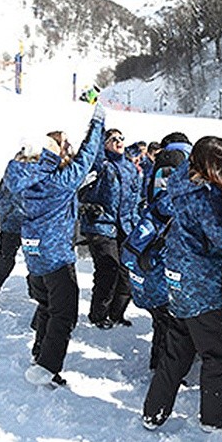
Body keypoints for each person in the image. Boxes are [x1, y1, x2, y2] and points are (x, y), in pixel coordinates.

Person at [142, 136, 222, 433]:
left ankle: (154, 412)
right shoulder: (206, 196)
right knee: (218, 355)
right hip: (204, 286)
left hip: (179, 281)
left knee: (177, 350)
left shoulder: (181, 183)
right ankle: (215, 419)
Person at [4, 104, 106, 386]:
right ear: (52, 154)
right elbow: (86, 157)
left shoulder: (27, 179)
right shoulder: (59, 182)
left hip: (34, 254)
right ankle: (47, 366)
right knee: (63, 314)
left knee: (47, 306)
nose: (68, 149)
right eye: (64, 146)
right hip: (56, 257)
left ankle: (39, 354)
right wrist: (97, 124)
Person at [126, 132, 193, 370]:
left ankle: (160, 363)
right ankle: (165, 369)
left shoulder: (162, 165)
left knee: (163, 322)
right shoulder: (175, 165)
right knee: (170, 323)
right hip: (162, 263)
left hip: (151, 263)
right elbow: (167, 204)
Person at [81, 128, 142, 329]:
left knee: (127, 271)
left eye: (121, 138)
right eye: (113, 139)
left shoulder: (131, 168)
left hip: (126, 226)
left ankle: (117, 313)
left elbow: (136, 199)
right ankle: (98, 314)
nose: (118, 141)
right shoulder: (101, 164)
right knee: (108, 268)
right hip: (102, 225)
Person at [0, 153, 27, 301]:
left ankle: (38, 293)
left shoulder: (36, 177)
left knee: (37, 262)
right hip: (11, 227)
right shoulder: (8, 181)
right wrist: (16, 208)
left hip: (31, 227)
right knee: (6, 260)